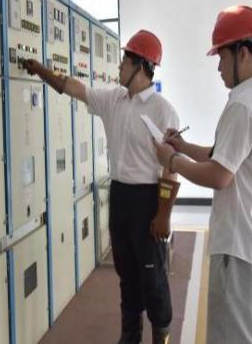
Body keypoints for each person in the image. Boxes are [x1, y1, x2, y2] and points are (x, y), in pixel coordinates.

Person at [25, 30, 180, 344]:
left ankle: (161, 336)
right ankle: (130, 335)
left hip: (148, 199)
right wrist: (40, 69)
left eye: (125, 60)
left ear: (142, 66)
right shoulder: (113, 100)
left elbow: (170, 168)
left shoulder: (163, 110)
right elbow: (74, 88)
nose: (119, 66)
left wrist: (163, 214)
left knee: (152, 275)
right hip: (120, 196)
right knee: (127, 273)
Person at [152, 5, 252, 344]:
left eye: (221, 57)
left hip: (238, 252)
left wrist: (172, 160)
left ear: (242, 53)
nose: (218, 67)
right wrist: (183, 146)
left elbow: (219, 175)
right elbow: (224, 154)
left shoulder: (243, 104)